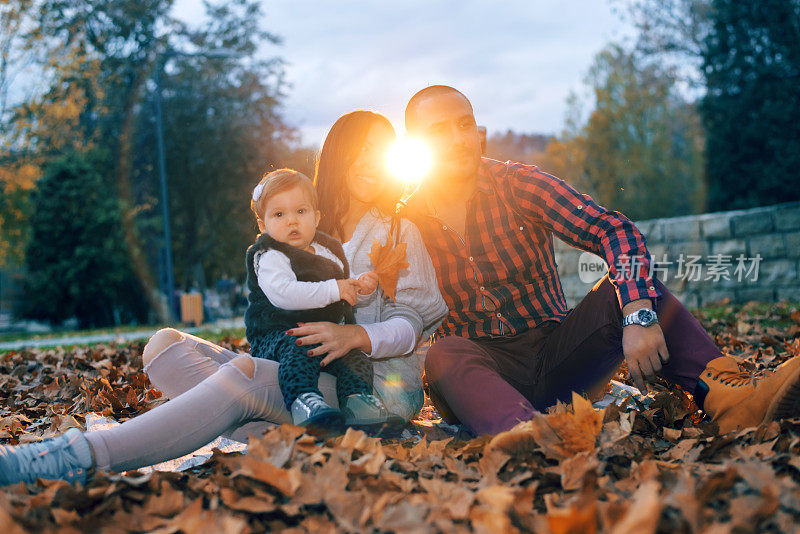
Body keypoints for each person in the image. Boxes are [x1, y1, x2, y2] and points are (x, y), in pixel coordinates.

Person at [0, 110, 447, 486]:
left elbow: (411, 326)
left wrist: (352, 335)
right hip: (301, 365)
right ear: (338, 156)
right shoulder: (302, 225)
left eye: (381, 148)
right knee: (165, 346)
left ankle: (70, 457)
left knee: (243, 375)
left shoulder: (397, 230)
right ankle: (283, 435)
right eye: (362, 147)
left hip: (367, 386)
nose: (371, 160)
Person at [403, 85, 800, 437]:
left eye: (464, 124)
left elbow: (613, 230)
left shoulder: (517, 185)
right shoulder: (404, 223)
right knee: (445, 353)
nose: (457, 139)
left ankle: (735, 402)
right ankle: (528, 438)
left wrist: (637, 314)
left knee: (631, 288)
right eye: (438, 131)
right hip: (481, 374)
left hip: (557, 355)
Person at [245, 167, 394, 430]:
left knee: (354, 354)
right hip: (277, 335)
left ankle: (358, 400)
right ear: (262, 225)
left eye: (300, 211)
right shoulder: (270, 256)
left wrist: (360, 286)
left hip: (326, 334)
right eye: (279, 214)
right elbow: (285, 294)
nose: (292, 221)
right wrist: (334, 289)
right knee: (298, 348)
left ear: (316, 217)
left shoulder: (327, 250)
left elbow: (339, 282)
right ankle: (304, 401)